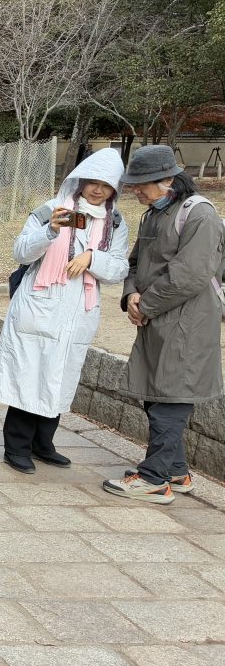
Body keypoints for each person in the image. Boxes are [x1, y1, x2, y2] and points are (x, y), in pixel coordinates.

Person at [0, 148, 129, 474]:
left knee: (59, 376)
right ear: (80, 179)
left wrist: (93, 258)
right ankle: (16, 447)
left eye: (106, 185)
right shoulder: (53, 209)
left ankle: (43, 443)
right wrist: (50, 231)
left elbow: (120, 268)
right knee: (29, 375)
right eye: (93, 182)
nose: (98, 190)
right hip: (41, 302)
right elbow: (21, 252)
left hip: (78, 310)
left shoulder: (114, 223)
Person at [103, 145, 225, 503]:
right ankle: (176, 471)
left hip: (188, 324)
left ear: (168, 180)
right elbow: (135, 262)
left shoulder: (199, 214)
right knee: (157, 396)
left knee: (172, 399)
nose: (135, 190)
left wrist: (147, 305)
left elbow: (191, 274)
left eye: (142, 184)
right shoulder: (153, 215)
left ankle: (154, 479)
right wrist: (131, 295)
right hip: (157, 320)